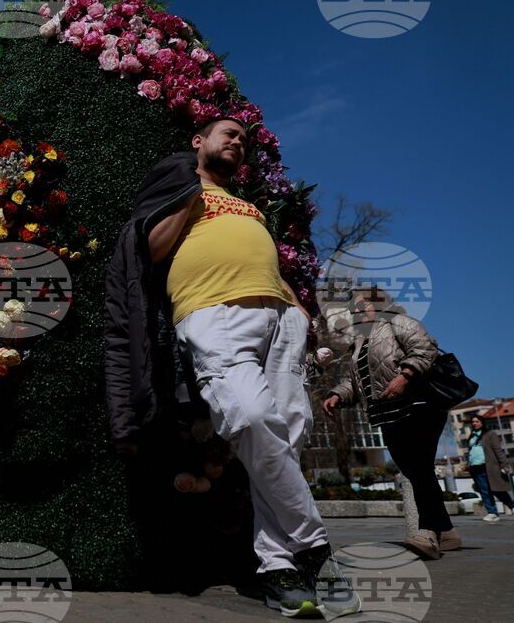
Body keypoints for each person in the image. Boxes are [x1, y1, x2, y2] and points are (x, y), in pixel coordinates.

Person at [107, 117, 342, 618]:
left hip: (281, 316)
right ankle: (314, 546)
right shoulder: (180, 185)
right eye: (228, 133)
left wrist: (296, 304)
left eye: (244, 138)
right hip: (213, 311)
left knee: (290, 432)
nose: (238, 141)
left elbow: (265, 261)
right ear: (199, 142)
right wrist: (188, 195)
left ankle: (278, 568)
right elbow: (148, 250)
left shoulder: (247, 204)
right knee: (250, 417)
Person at [322, 290, 455, 558]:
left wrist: (405, 376)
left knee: (419, 468)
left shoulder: (398, 322)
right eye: (354, 309)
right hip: (388, 414)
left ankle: (429, 533)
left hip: (419, 406)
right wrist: (338, 394)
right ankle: (447, 532)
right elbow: (358, 380)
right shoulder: (360, 341)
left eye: (363, 306)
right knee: (414, 471)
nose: (358, 312)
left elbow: (425, 349)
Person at [467, 415, 513, 522]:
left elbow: (498, 450)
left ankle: (512, 505)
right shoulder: (472, 436)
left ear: (482, 422)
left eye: (477, 421)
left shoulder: (490, 434)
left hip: (489, 466)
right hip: (476, 467)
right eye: (473, 422)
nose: (474, 423)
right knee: (484, 491)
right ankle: (492, 513)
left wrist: (504, 464)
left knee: (497, 489)